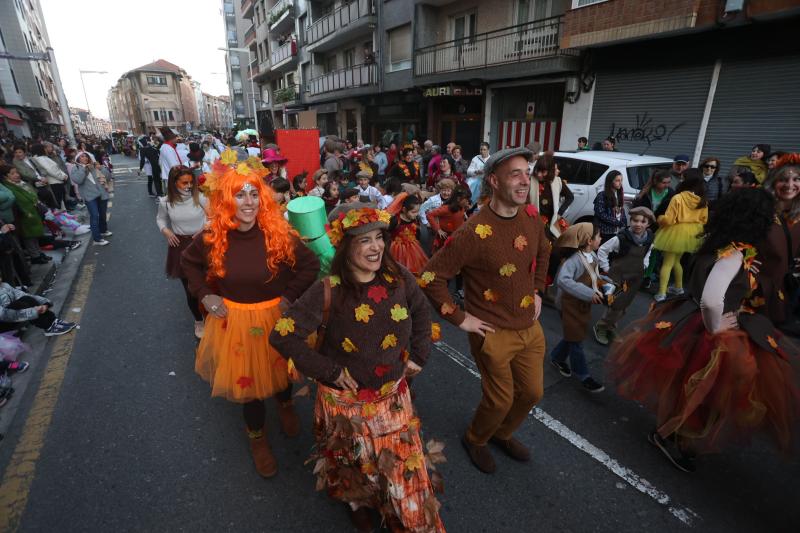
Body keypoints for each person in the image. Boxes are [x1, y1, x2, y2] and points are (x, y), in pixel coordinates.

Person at [269, 205, 444, 532]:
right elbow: (282, 334)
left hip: (392, 399)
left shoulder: (399, 277)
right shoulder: (327, 290)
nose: (376, 247)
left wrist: (419, 355)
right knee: (353, 461)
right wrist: (329, 371)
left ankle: (407, 518)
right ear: (345, 245)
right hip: (344, 404)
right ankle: (356, 501)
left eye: (379, 237)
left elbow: (421, 314)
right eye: (364, 240)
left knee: (403, 472)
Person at [606, 188, 800, 473]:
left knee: (688, 387)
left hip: (688, 316)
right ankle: (668, 436)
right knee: (703, 391)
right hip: (708, 328)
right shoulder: (734, 253)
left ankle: (673, 434)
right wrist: (717, 326)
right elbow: (712, 300)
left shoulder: (715, 240)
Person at [181, 152, 319, 478]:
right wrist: (205, 294)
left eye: (254, 193)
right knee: (251, 389)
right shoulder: (213, 237)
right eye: (239, 194)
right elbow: (188, 262)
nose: (248, 202)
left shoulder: (279, 233)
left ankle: (285, 405)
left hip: (276, 318)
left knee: (281, 372)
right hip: (237, 322)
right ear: (227, 199)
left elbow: (310, 265)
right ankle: (257, 439)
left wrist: (288, 297)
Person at [421, 147, 551, 474]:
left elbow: (545, 251)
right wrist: (459, 317)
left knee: (532, 392)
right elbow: (430, 277)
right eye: (514, 174)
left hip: (529, 326)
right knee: (499, 400)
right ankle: (476, 439)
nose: (524, 181)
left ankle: (502, 433)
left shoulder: (532, 217)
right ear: (493, 181)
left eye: (527, 172)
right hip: (491, 332)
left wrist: (537, 290)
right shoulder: (472, 232)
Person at [550, 222, 608, 392]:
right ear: (589, 241)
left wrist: (610, 285)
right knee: (576, 340)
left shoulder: (593, 256)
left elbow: (595, 277)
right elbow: (563, 280)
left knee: (573, 336)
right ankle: (584, 375)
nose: (601, 239)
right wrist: (589, 294)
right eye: (598, 237)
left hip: (580, 304)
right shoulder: (574, 260)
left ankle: (556, 357)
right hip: (568, 305)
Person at [157, 166, 208, 339]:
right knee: (190, 289)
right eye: (184, 182)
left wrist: (203, 230)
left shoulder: (200, 196)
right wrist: (166, 231)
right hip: (180, 246)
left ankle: (213, 318)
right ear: (173, 183)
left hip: (203, 243)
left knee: (210, 284)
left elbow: (214, 216)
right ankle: (198, 321)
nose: (188, 185)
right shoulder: (165, 201)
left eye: (190, 182)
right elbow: (160, 218)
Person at [593, 207, 655, 345]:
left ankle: (611, 326)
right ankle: (601, 326)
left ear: (648, 224)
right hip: (618, 277)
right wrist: (607, 269)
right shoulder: (621, 238)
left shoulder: (649, 239)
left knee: (624, 305)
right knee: (615, 304)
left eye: (643, 221)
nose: (638, 224)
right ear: (630, 220)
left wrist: (644, 265)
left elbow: (648, 252)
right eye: (635, 220)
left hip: (635, 277)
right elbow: (602, 250)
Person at [652, 172, 708, 302]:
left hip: (675, 232)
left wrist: (660, 219)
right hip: (691, 234)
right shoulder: (702, 201)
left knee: (667, 263)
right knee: (677, 261)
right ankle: (678, 287)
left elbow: (669, 220)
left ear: (686, 182)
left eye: (683, 178)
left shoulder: (678, 198)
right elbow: (704, 220)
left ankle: (661, 293)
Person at [758, 156, 800, 326]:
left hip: (787, 288)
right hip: (757, 287)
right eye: (783, 179)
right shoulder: (760, 209)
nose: (790, 185)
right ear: (773, 183)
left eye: (797, 179)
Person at [0, 165, 50, 262]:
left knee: (35, 235)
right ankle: (35, 256)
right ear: (6, 176)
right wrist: (26, 211)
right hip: (24, 214)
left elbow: (32, 194)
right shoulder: (9, 186)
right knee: (29, 237)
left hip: (32, 211)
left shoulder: (20, 183)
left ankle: (39, 253)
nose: (16, 175)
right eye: (12, 173)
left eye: (17, 172)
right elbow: (17, 200)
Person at [0, 281, 76, 336]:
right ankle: (48, 327)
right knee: (18, 304)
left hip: (11, 317)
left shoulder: (4, 285)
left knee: (26, 298)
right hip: (3, 323)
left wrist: (45, 303)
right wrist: (34, 311)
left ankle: (53, 321)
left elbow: (23, 295)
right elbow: (5, 315)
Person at [70, 152, 112, 246]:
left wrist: (101, 168)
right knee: (94, 216)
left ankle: (103, 230)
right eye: (82, 156)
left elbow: (108, 177)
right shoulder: (76, 169)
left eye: (86, 156)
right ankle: (97, 239)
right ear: (78, 159)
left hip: (101, 193)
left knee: (102, 214)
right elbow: (78, 180)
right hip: (89, 196)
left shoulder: (93, 166)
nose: (85, 158)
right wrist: (84, 170)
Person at [531, 153, 573, 242]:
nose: (538, 174)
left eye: (543, 172)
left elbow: (570, 197)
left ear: (550, 171)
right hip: (533, 223)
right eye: (537, 170)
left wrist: (559, 213)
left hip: (552, 223)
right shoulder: (529, 181)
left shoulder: (557, 182)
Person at [389, 195, 428, 275]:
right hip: (397, 250)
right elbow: (387, 232)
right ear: (404, 209)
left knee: (415, 269)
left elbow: (416, 233)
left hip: (413, 248)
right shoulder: (396, 221)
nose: (416, 214)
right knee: (399, 270)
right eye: (413, 212)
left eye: (417, 212)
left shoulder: (415, 219)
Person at [426, 186, 471, 253]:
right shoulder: (446, 209)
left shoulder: (461, 206)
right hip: (446, 237)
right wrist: (438, 229)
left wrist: (465, 213)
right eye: (466, 199)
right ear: (458, 199)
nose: (468, 201)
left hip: (457, 235)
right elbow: (430, 215)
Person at [30, 144, 67, 209]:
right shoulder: (40, 159)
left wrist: (63, 175)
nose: (46, 150)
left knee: (61, 201)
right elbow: (51, 170)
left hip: (56, 181)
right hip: (54, 182)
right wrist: (62, 177)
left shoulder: (43, 158)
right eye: (44, 148)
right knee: (59, 202)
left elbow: (56, 168)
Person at [593, 170, 627, 243]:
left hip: (616, 230)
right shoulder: (602, 195)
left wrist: (623, 222)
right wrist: (616, 222)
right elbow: (600, 213)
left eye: (621, 180)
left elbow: (621, 210)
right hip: (605, 231)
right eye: (617, 180)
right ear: (610, 181)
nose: (620, 183)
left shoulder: (619, 193)